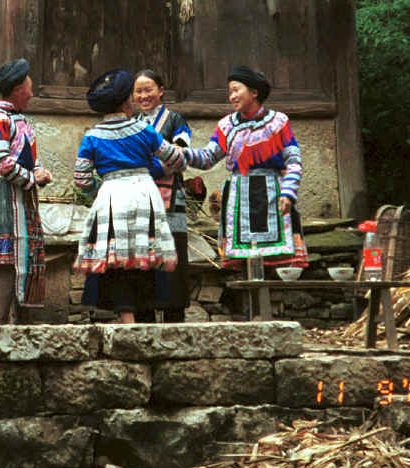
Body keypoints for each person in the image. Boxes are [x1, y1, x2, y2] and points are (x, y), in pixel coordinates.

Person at [72, 68, 185, 324]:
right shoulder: (144, 131)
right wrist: (154, 169)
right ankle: (146, 316)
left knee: (119, 259)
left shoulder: (91, 137)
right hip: (145, 195)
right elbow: (175, 158)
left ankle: (127, 318)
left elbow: (81, 179)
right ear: (126, 103)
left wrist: (98, 192)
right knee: (143, 255)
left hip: (111, 197)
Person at [184, 65, 308, 270]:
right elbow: (207, 158)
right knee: (245, 265)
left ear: (254, 92)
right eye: (229, 92)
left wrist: (289, 191)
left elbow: (293, 159)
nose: (231, 96)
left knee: (277, 264)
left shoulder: (278, 122)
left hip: (272, 195)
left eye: (236, 90)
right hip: (239, 198)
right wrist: (180, 154)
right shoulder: (226, 126)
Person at [0, 58, 53, 324]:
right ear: (18, 89)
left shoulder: (19, 120)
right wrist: (31, 177)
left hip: (21, 196)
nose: (31, 92)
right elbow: (3, 164)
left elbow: (25, 156)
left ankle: (22, 327)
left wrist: (40, 172)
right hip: (5, 197)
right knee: (5, 260)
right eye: (28, 87)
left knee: (23, 258)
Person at [133, 69, 192, 323]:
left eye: (148, 90)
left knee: (172, 252)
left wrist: (156, 168)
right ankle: (144, 315)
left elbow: (182, 154)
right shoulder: (131, 121)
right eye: (138, 91)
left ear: (160, 91)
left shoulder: (175, 120)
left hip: (171, 199)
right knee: (141, 252)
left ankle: (173, 315)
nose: (143, 96)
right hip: (138, 197)